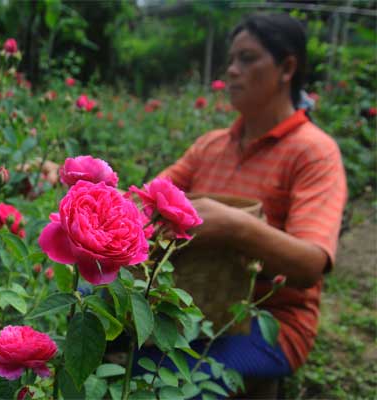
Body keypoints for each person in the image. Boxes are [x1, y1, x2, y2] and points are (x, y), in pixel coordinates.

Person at [138, 13, 348, 393]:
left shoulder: (314, 153)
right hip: (193, 305)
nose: (232, 71)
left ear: (287, 68)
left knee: (165, 379)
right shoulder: (211, 145)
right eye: (231, 60)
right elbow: (149, 199)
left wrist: (234, 227)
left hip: (268, 320)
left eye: (247, 59)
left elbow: (311, 264)